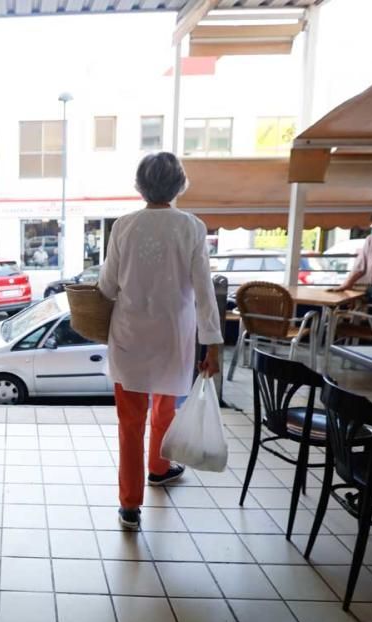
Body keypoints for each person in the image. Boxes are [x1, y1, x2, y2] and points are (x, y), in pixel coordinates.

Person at [99, 152, 222, 530]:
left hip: (129, 338)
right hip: (174, 339)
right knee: (165, 409)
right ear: (179, 184)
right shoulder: (192, 227)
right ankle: (159, 467)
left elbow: (107, 285)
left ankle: (130, 507)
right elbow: (204, 290)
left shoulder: (123, 226)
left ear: (139, 185)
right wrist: (213, 344)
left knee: (129, 423)